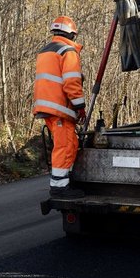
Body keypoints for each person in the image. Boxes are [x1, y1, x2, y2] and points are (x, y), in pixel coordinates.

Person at [34, 15, 87, 198]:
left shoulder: (46, 51)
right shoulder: (68, 51)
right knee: (64, 146)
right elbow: (71, 82)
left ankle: (65, 182)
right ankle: (59, 187)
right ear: (72, 34)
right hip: (60, 109)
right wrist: (80, 106)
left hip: (48, 108)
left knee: (68, 144)